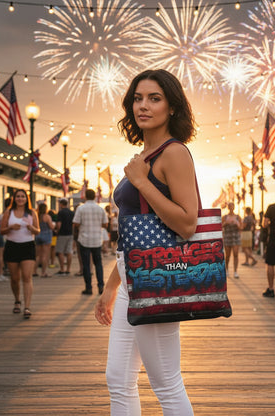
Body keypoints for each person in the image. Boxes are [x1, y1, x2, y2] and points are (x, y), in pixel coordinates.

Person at [94, 69, 196, 415]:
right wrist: (111, 287)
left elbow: (186, 223)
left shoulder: (174, 153)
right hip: (131, 280)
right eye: (138, 98)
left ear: (172, 107)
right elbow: (134, 234)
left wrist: (142, 182)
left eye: (154, 98)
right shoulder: (144, 156)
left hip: (158, 279)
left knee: (166, 383)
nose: (143, 105)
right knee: (118, 378)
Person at [0, 189, 40, 319]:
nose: (20, 198)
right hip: (12, 246)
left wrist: (31, 228)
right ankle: (17, 300)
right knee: (14, 278)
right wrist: (11, 228)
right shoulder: (8, 212)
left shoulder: (32, 213)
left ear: (26, 198)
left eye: (23, 196)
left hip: (27, 246)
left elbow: (38, 230)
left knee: (27, 277)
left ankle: (27, 307)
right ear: (14, 198)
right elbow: (2, 230)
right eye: (18, 196)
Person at [73, 189, 108, 295]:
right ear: (95, 197)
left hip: (84, 239)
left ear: (85, 197)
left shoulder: (81, 208)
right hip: (97, 239)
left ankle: (88, 288)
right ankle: (101, 286)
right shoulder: (100, 209)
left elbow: (76, 223)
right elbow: (105, 224)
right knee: (98, 264)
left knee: (86, 265)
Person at [222, 202, 242, 279]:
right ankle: (226, 270)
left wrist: (237, 223)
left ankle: (235, 271)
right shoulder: (225, 217)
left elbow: (241, 228)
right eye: (230, 206)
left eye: (232, 206)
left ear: (234, 207)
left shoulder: (238, 217)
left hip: (235, 237)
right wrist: (226, 223)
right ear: (228, 207)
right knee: (227, 255)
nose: (231, 208)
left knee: (236, 254)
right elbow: (220, 226)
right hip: (227, 236)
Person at [55, 198, 74, 275]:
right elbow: (74, 224)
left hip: (62, 234)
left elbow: (59, 224)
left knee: (60, 252)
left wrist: (57, 231)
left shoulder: (60, 212)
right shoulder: (71, 212)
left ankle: (62, 269)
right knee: (69, 251)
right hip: (70, 233)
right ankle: (68, 269)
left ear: (61, 204)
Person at [35, 203, 54, 277]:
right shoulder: (47, 217)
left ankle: (34, 271)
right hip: (46, 236)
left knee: (37, 255)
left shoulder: (36, 216)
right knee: (45, 255)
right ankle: (43, 272)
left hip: (38, 235)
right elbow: (51, 227)